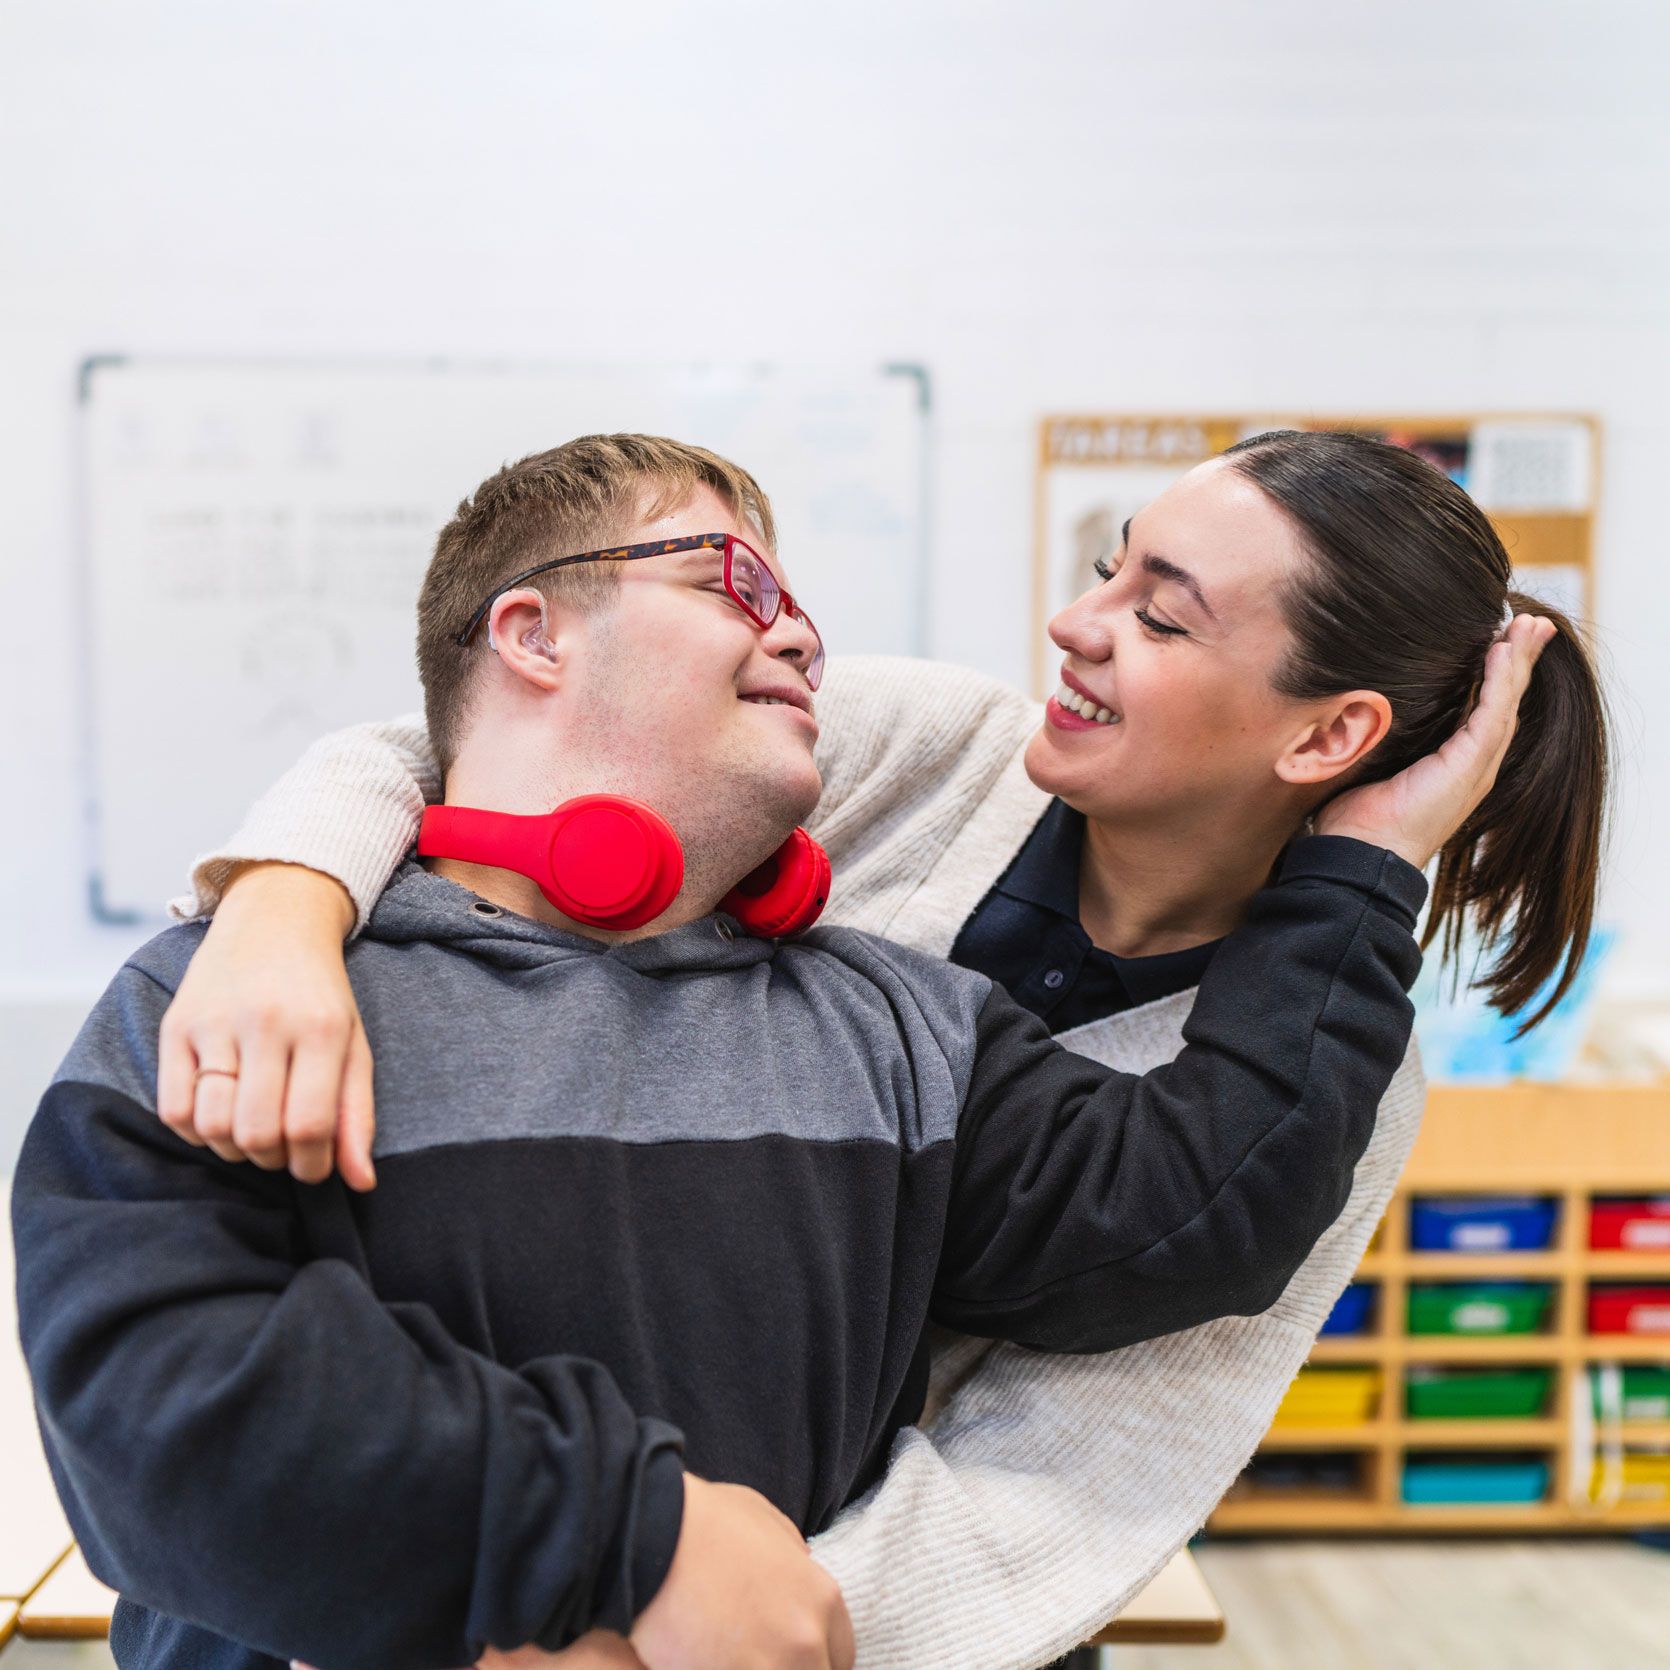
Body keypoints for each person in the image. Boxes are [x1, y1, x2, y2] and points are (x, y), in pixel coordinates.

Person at [27, 433, 1571, 1670]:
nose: (802, 634)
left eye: (1161, 614)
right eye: (735, 583)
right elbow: (435, 743)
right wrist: (281, 908)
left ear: (1327, 734)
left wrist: (671, 1618)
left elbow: (1113, 1361)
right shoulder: (230, 1004)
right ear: (536, 629)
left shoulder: (914, 1030)